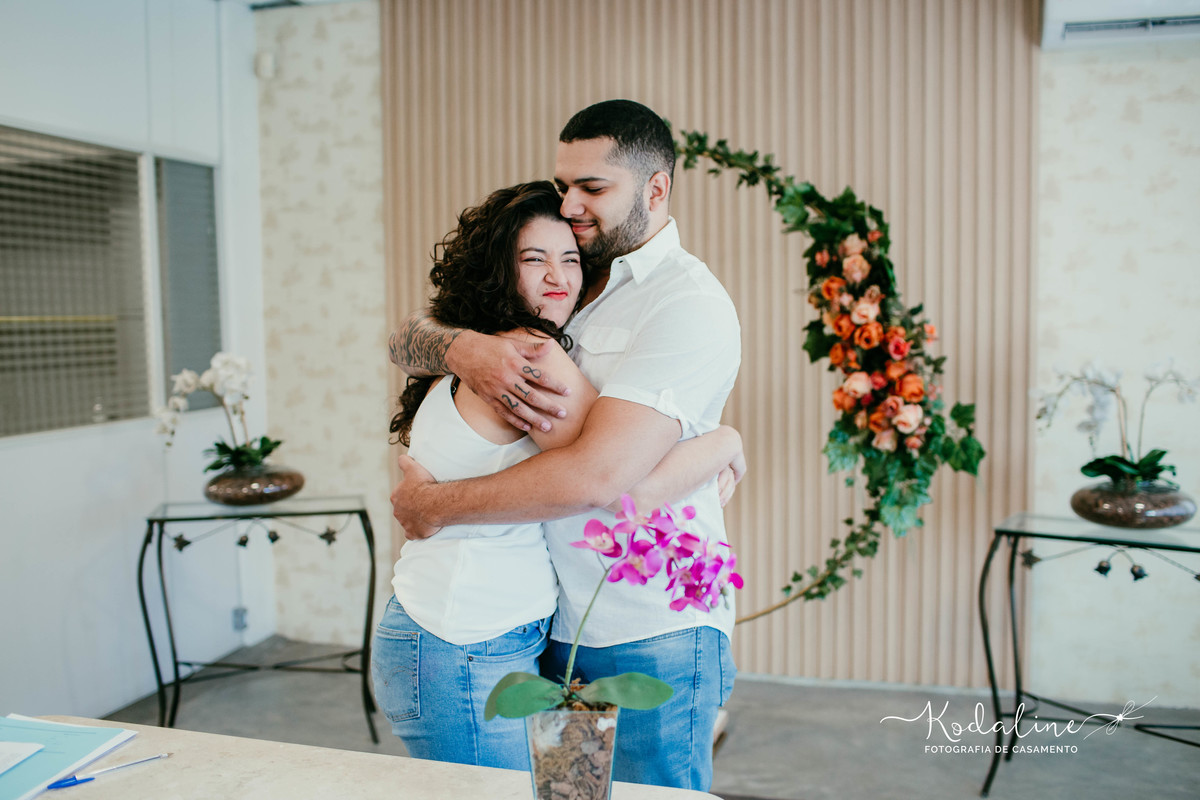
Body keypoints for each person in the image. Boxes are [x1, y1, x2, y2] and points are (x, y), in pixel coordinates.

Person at [388, 100, 743, 790]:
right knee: (570, 794)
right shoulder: (569, 278)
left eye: (594, 189)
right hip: (553, 627)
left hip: (649, 627)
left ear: (656, 189)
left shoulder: (685, 303)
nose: (572, 205)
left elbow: (602, 480)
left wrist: (435, 503)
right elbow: (404, 339)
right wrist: (463, 346)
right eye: (566, 186)